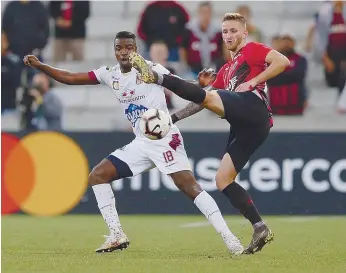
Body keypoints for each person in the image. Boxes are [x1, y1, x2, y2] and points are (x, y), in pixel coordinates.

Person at [23, 31, 244, 255]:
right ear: (115, 51)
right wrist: (41, 66)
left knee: (190, 187)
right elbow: (70, 78)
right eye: (119, 48)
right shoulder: (110, 75)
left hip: (164, 138)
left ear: (136, 49)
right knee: (97, 176)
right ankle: (117, 234)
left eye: (128, 47)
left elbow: (177, 85)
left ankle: (231, 239)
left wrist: (198, 83)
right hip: (141, 142)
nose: (124, 52)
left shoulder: (151, 69)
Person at [129, 13, 290, 254]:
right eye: (225, 31)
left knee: (207, 93)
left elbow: (282, 62)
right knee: (223, 180)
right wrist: (172, 119)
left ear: (244, 33)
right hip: (246, 126)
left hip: (253, 108)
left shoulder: (254, 49)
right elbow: (202, 100)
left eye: (234, 30)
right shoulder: (225, 70)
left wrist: (254, 80)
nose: (229, 35)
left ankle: (158, 77)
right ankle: (260, 227)